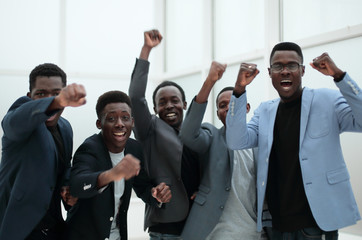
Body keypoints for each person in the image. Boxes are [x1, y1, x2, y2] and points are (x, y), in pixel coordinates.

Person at [226, 42, 362, 239]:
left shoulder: (327, 100)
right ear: (270, 73)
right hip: (276, 225)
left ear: (303, 70)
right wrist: (238, 89)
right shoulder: (264, 111)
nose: (285, 71)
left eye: (292, 65)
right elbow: (236, 141)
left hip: (316, 222)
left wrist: (339, 76)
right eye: (277, 66)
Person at [66, 90, 171, 240]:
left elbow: (142, 187)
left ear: (132, 122)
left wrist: (156, 195)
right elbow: (77, 185)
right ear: (99, 124)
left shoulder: (134, 149)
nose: (120, 124)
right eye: (111, 118)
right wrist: (112, 174)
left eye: (125, 118)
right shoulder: (89, 148)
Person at [179, 61, 267, 240]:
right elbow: (187, 134)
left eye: (233, 103)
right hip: (216, 232)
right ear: (218, 113)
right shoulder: (211, 136)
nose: (228, 108)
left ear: (246, 107)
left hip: (254, 232)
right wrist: (210, 81)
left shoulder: (259, 141)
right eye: (222, 105)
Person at [0, 63, 86, 240]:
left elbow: (62, 168)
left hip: (53, 229)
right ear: (29, 97)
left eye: (56, 93)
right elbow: (13, 122)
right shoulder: (21, 118)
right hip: (19, 230)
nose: (50, 98)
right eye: (41, 94)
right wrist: (56, 101)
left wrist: (68, 188)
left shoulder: (65, 128)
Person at [128, 29, 200, 239]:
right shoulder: (149, 129)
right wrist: (146, 50)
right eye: (162, 102)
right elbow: (135, 96)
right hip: (166, 227)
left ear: (184, 104)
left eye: (174, 101)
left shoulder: (197, 132)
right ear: (154, 108)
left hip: (197, 225)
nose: (169, 106)